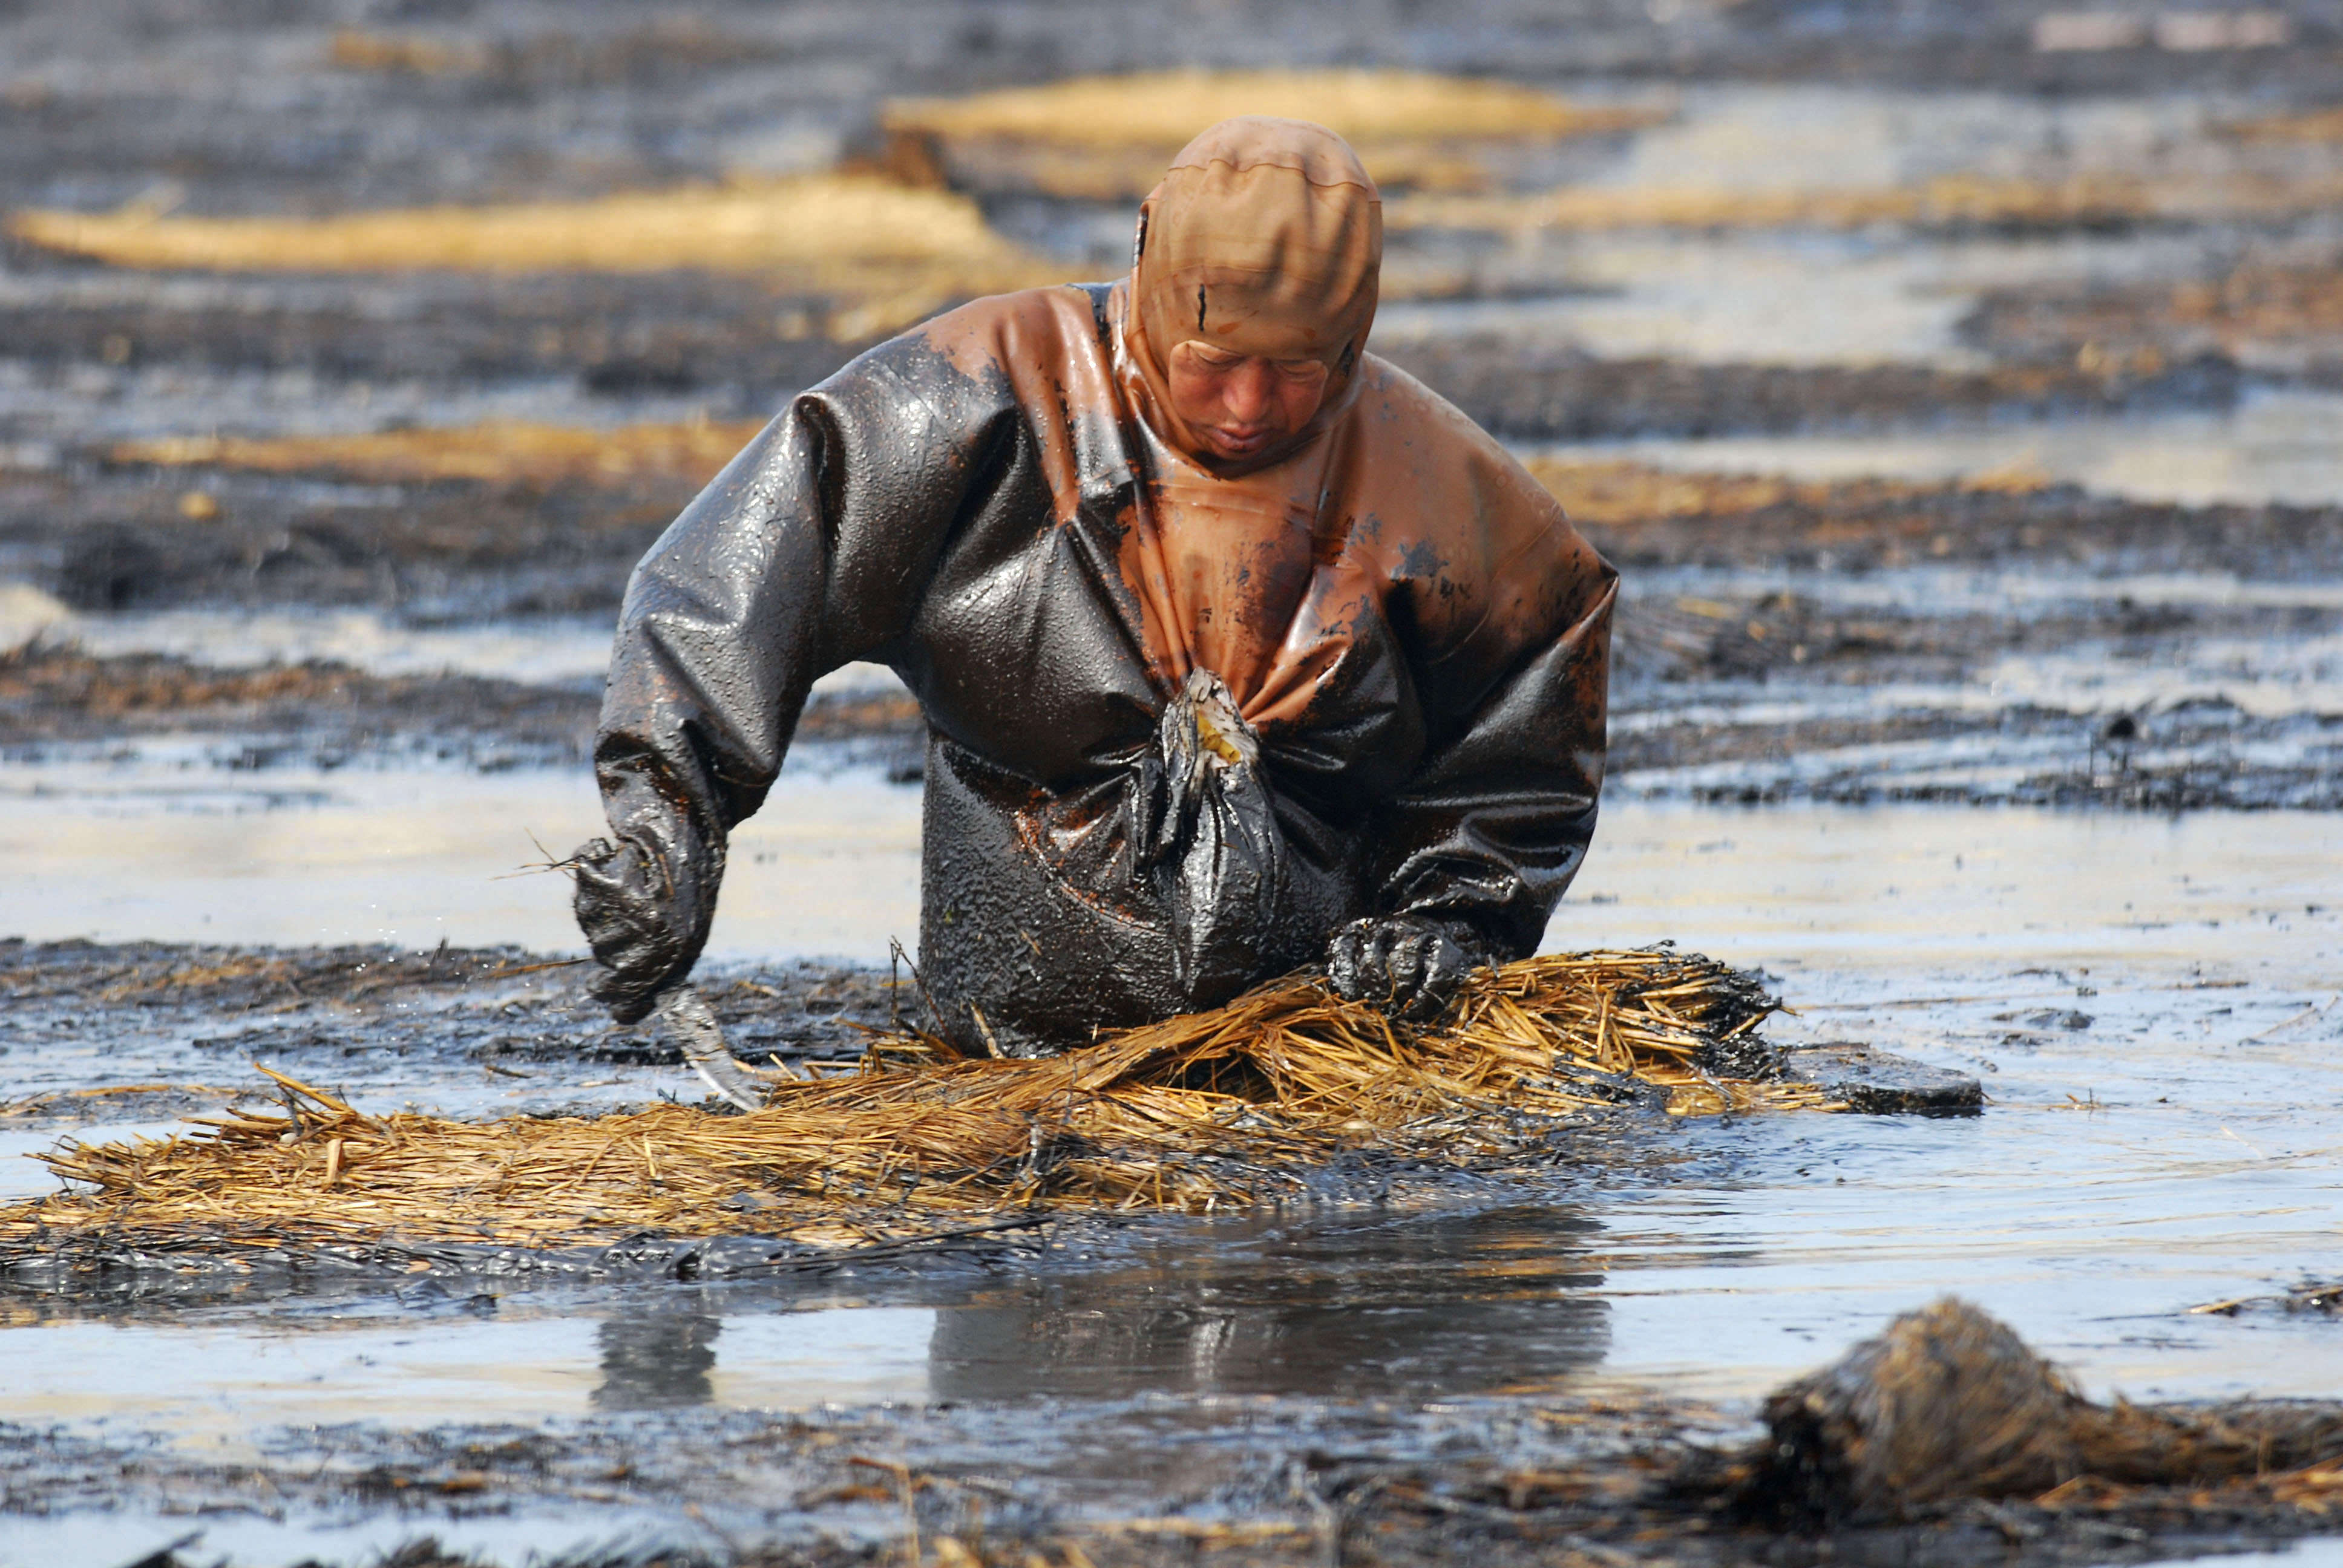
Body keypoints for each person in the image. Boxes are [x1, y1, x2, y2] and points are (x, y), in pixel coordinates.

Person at [571, 116, 1616, 1057]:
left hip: (1318, 1058)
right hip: (999, 1055)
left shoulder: (1449, 501)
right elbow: (739, 579)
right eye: (1213, 359)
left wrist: (1454, 927)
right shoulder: (981, 398)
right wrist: (668, 816)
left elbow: (1525, 739)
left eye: (1302, 369)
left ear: (1360, 333)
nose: (1250, 406)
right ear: (1153, 284)